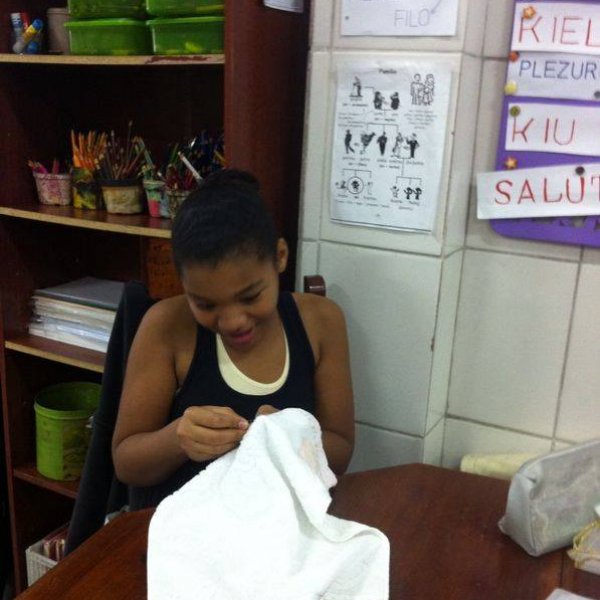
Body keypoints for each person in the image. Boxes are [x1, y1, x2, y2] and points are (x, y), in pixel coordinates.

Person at [112, 169, 355, 509]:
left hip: (281, 522)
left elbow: (341, 451)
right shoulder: (166, 326)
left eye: (250, 296)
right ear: (184, 285)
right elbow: (127, 463)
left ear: (280, 257)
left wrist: (291, 436)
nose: (233, 322)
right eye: (205, 304)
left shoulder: (321, 321)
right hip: (183, 525)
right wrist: (178, 439)